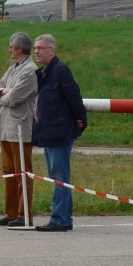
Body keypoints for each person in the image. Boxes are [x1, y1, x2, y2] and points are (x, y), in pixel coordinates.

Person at [31, 34, 87, 232]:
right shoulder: (45, 73)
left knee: (59, 177)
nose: (36, 51)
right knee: (57, 176)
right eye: (35, 48)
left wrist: (81, 122)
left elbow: (74, 98)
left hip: (60, 132)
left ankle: (60, 219)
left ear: (51, 51)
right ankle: (64, 218)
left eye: (41, 48)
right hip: (49, 132)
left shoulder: (61, 71)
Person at [0, 31, 37, 227]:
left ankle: (24, 214)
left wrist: (3, 95)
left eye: (11, 46)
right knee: (8, 171)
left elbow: (15, 97)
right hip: (6, 127)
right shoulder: (13, 68)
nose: (9, 49)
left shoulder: (30, 70)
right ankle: (10, 213)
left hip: (20, 128)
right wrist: (2, 92)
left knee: (22, 171)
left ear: (19, 48)